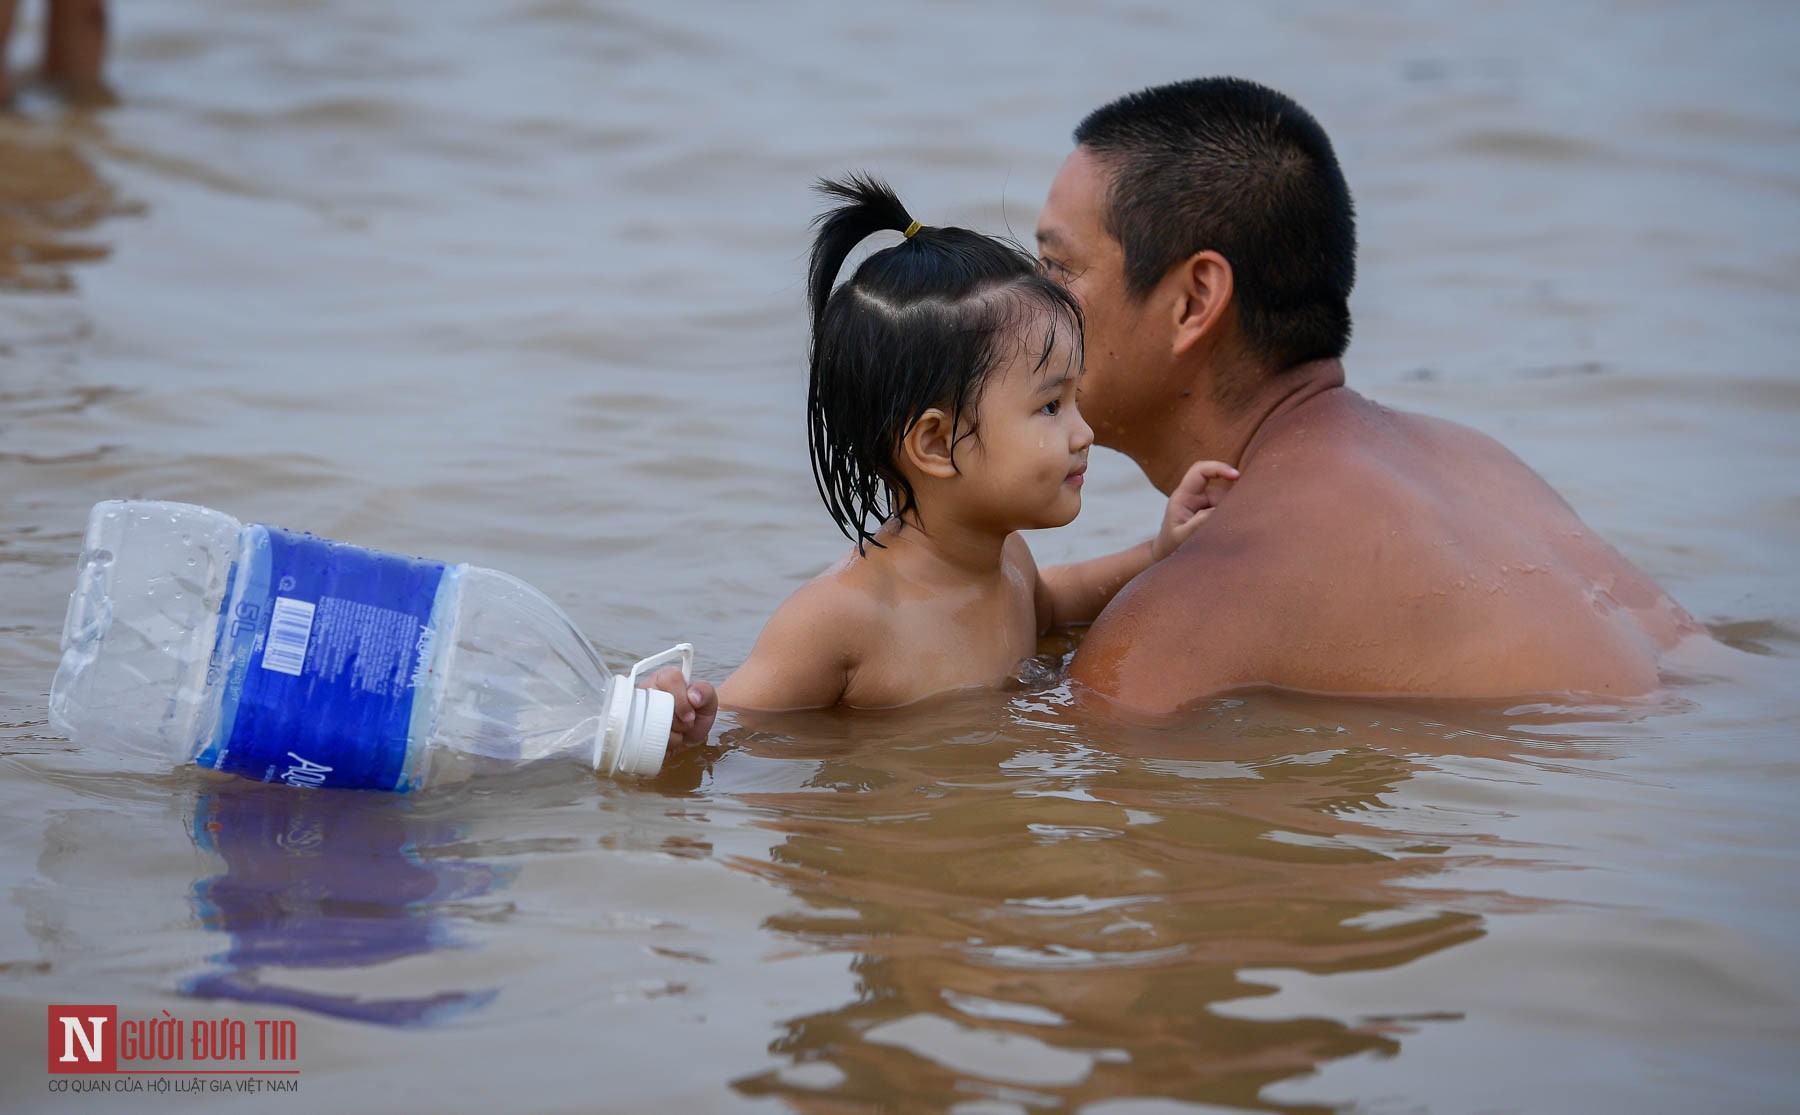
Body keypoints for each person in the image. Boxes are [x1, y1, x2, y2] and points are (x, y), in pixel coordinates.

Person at [1030, 76, 1700, 714]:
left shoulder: (1191, 610)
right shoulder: (1468, 459)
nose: (1028, 303)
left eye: (1059, 268)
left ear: (1194, 301)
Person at [658, 174, 1233, 718]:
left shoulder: (1009, 562)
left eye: (1075, 397)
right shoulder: (840, 620)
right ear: (936, 443)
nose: (1084, 433)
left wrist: (1161, 550)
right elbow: (735, 732)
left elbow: (1057, 604)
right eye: (1050, 407)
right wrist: (682, 721)